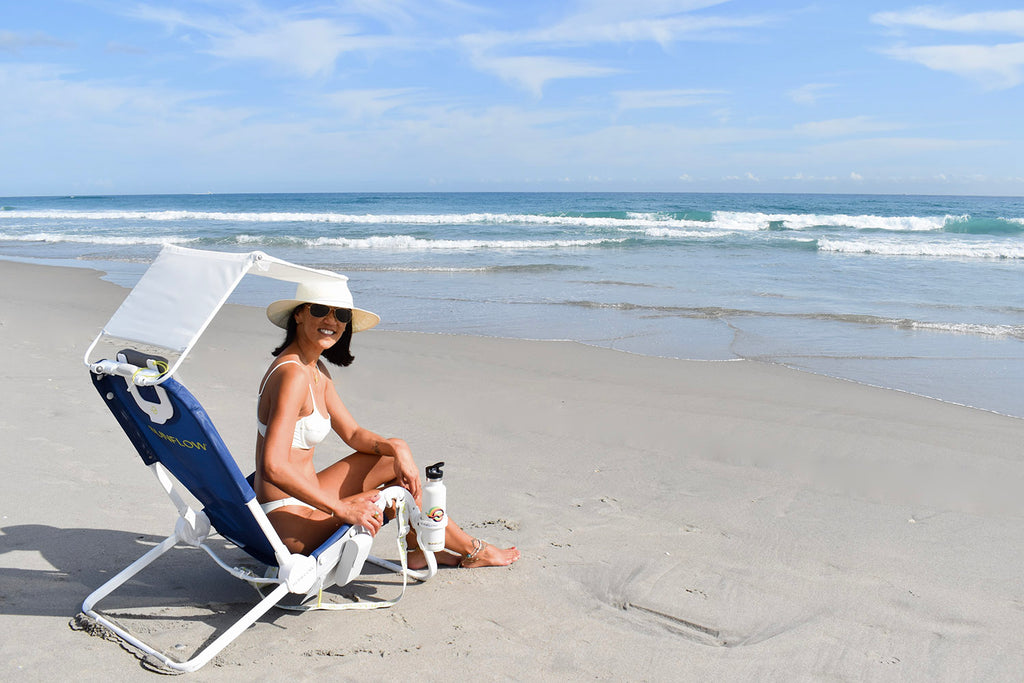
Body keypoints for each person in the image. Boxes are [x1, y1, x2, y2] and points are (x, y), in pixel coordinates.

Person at [255, 279, 519, 569]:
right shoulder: (291, 376)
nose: (332, 320)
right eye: (321, 310)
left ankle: (419, 545)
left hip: (308, 499)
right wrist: (341, 508)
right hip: (289, 524)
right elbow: (273, 467)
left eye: (341, 315)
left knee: (391, 461)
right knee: (401, 490)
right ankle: (471, 549)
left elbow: (354, 434)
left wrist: (398, 447)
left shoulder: (315, 369)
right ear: (299, 314)